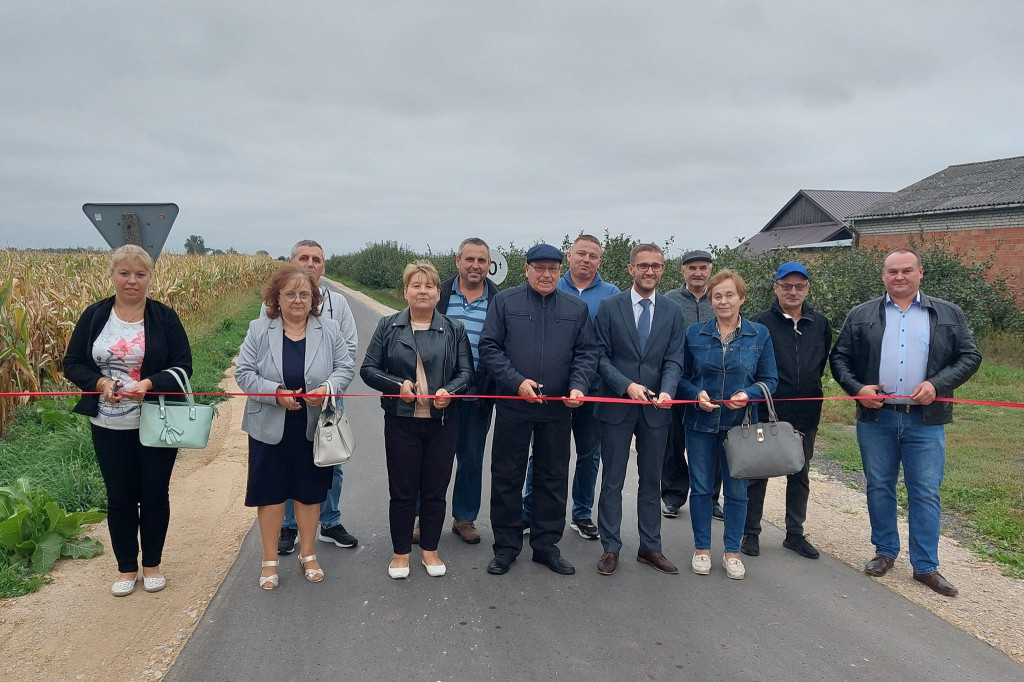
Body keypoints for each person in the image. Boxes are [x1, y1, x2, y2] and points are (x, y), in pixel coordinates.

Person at [829, 248, 981, 597]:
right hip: (877, 418)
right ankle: (884, 552)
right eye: (892, 271)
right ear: (883, 275)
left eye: (906, 271)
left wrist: (938, 384)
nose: (899, 277)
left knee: (925, 492)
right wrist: (857, 389)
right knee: (879, 485)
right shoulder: (861, 314)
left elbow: (970, 356)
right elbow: (839, 358)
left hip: (925, 421)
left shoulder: (946, 313)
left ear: (920, 273)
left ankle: (926, 566)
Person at [64, 245, 193, 597]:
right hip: (108, 425)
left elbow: (184, 367)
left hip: (158, 421)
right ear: (112, 275)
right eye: (124, 273)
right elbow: (73, 363)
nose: (132, 281)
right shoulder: (95, 316)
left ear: (150, 277)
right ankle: (125, 567)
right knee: (119, 497)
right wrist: (100, 383)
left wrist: (149, 385)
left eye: (140, 274)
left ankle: (152, 564)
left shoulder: (164, 317)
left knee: (154, 494)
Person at [479, 244, 599, 576]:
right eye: (540, 268)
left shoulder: (575, 308)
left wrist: (579, 385)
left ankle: (546, 545)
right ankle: (505, 547)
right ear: (527, 268)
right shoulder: (505, 302)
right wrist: (516, 382)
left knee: (553, 476)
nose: (546, 275)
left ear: (560, 271)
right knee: (507, 476)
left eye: (553, 269)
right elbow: (489, 347)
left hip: (557, 408)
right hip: (514, 404)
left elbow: (587, 353)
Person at [236, 264, 355, 589]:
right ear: (277, 297)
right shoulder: (259, 329)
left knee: (309, 493)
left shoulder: (328, 329)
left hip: (312, 427)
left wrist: (328, 388)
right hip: (269, 428)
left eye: (304, 294)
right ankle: (270, 561)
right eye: (290, 294)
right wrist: (275, 394)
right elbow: (244, 373)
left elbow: (345, 367)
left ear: (314, 298)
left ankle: (308, 554)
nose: (298, 300)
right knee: (270, 494)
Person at [360, 261, 475, 579]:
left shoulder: (455, 330)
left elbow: (467, 373)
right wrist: (399, 387)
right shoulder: (387, 326)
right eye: (416, 285)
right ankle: (400, 554)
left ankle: (430, 550)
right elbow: (368, 369)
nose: (423, 291)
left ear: (439, 293)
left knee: (436, 489)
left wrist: (449, 391)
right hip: (401, 422)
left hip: (442, 423)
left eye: (429, 286)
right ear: (406, 291)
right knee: (402, 490)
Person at [678, 269, 778, 580]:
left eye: (729, 295)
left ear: (741, 298)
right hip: (700, 423)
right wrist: (696, 395)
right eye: (718, 295)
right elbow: (680, 377)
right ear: (711, 300)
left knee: (737, 491)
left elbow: (770, 380)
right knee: (702, 489)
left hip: (741, 426)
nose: (724, 301)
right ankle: (702, 549)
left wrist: (748, 395)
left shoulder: (759, 334)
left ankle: (732, 552)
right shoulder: (694, 333)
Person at [593, 244, 685, 576]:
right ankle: (611, 547)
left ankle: (650, 547)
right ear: (631, 269)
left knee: (651, 480)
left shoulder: (673, 311)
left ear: (663, 270)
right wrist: (626, 385)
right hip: (618, 405)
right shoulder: (609, 307)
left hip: (657, 411)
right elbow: (599, 356)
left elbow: (674, 358)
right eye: (643, 266)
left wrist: (668, 391)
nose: (650, 271)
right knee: (613, 480)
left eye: (656, 266)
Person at [523, 234, 619, 540]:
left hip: (592, 389)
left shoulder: (611, 294)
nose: (586, 260)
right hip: (551, 391)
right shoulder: (551, 283)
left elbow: (606, 346)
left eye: (593, 255)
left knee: (590, 453)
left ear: (600, 261)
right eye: (581, 254)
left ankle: (581, 512)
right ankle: (529, 510)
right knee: (543, 453)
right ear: (570, 255)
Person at [271, 240, 360, 555]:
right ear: (291, 261)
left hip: (327, 399)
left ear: (324, 267)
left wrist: (326, 387)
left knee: (330, 460)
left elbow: (348, 351)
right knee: (288, 462)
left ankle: (330, 520)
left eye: (317, 259)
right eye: (303, 258)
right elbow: (267, 349)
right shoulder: (274, 303)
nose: (310, 264)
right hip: (288, 399)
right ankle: (289, 526)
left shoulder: (339, 304)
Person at [741, 262, 832, 560]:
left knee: (800, 471)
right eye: (786, 286)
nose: (793, 292)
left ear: (807, 288)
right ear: (776, 287)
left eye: (799, 286)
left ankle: (795, 533)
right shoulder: (758, 323)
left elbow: (820, 363)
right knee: (759, 473)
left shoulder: (820, 323)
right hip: (769, 411)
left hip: (806, 412)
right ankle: (750, 532)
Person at [437, 238, 500, 545]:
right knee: (434, 457)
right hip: (439, 393)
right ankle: (426, 516)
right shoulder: (439, 292)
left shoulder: (498, 300)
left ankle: (464, 518)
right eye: (470, 259)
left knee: (471, 458)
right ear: (458, 260)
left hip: (478, 394)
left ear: (489, 265)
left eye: (482, 261)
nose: (476, 266)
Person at [662, 249, 723, 520]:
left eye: (703, 267)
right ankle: (674, 495)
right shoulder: (670, 301)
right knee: (673, 443)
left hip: (715, 385)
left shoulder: (720, 298)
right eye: (692, 268)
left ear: (710, 270)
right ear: (682, 271)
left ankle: (710, 497)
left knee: (714, 444)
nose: (698, 272)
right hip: (678, 383)